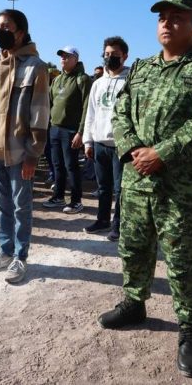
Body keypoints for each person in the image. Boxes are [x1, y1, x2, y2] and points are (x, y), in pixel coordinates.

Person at [98, 0, 192, 377]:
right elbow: (121, 112)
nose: (167, 22)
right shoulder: (140, 67)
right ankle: (134, 302)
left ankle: (190, 327)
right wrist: (134, 149)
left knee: (181, 257)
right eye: (162, 16)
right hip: (136, 177)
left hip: (181, 185)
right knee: (134, 246)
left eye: (177, 16)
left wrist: (163, 152)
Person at [0, 9, 50, 284]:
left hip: (21, 153)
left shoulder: (36, 66)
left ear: (21, 31)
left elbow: (40, 113)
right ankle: (5, 251)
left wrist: (34, 154)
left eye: (7, 26)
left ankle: (21, 256)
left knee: (21, 207)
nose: (1, 31)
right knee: (2, 204)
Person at [82, 36, 130, 240]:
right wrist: (88, 140)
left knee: (120, 189)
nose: (109, 58)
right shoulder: (98, 83)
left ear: (125, 56)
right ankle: (102, 220)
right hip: (100, 143)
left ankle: (117, 225)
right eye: (107, 54)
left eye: (115, 55)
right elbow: (90, 113)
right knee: (103, 187)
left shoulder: (131, 81)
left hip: (120, 146)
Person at [42, 45, 92, 214]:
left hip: (71, 131)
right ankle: (58, 196)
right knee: (57, 165)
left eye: (67, 56)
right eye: (61, 56)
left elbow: (87, 107)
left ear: (75, 59)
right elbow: (50, 103)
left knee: (71, 166)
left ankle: (76, 201)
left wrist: (81, 132)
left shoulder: (83, 79)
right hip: (55, 128)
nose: (63, 58)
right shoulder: (57, 80)